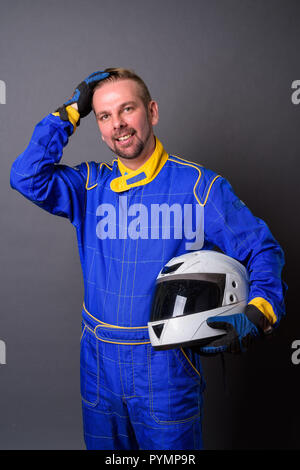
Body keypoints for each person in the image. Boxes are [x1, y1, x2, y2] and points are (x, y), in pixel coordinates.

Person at [10, 68, 287, 450]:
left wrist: (260, 311)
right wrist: (70, 112)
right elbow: (26, 176)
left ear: (152, 112)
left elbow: (262, 248)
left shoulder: (199, 188)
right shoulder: (89, 186)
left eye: (127, 109)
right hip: (98, 363)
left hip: (166, 368)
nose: (118, 125)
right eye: (104, 116)